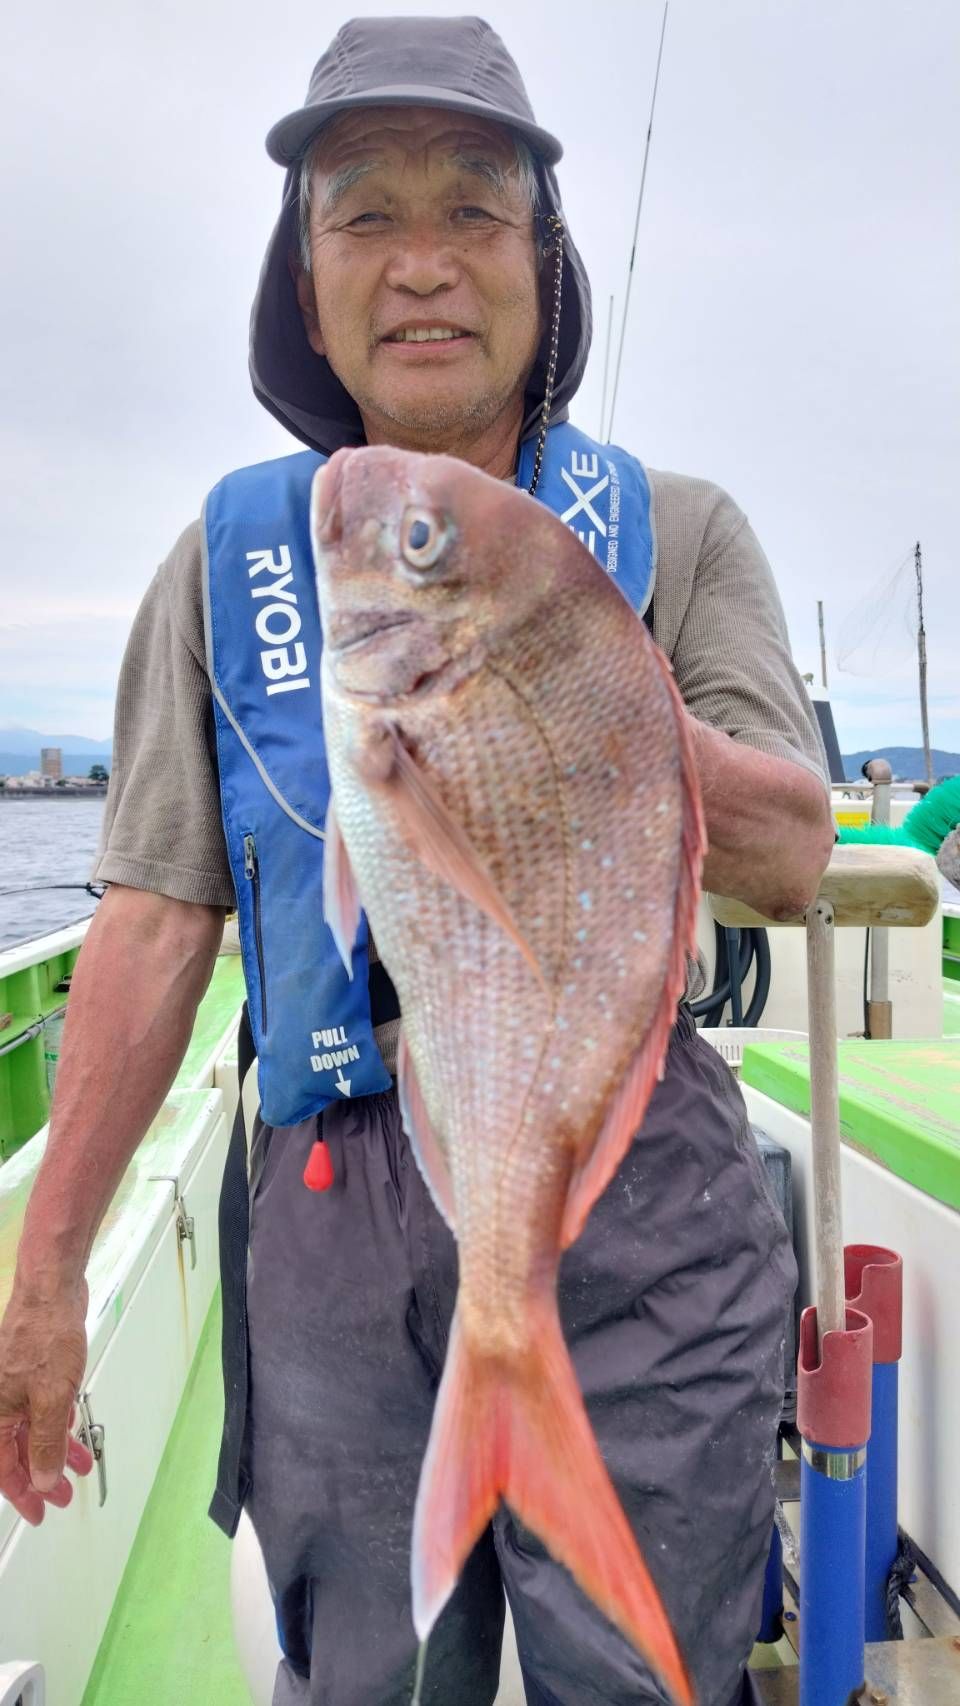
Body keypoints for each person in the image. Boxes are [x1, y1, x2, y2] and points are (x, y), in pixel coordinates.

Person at [0, 17, 834, 1706]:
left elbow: (799, 853)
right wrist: (45, 1272)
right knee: (363, 1681)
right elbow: (153, 927)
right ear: (305, 294)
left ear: (545, 262)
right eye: (364, 214)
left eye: (474, 206)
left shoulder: (678, 530)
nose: (423, 261)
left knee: (651, 1674)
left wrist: (573, 692)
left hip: (619, 1162)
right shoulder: (223, 568)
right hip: (328, 1209)